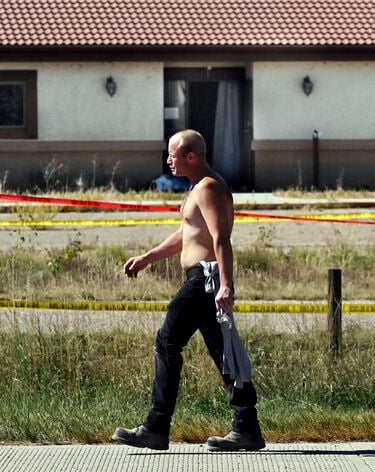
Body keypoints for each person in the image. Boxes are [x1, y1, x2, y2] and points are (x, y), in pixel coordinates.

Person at [111, 130, 265, 452]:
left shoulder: (208, 187)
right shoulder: (196, 188)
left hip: (204, 282)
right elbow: (187, 234)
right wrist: (147, 258)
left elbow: (221, 239)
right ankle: (247, 429)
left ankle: (156, 427)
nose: (168, 161)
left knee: (167, 342)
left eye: (173, 155)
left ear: (191, 156)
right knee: (225, 355)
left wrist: (225, 285)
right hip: (202, 281)